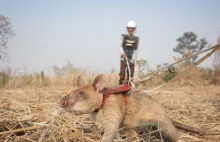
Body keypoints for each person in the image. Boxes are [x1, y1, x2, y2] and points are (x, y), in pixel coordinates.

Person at [119, 21, 139, 85]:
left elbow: (136, 50)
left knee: (130, 75)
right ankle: (120, 85)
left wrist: (136, 59)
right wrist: (123, 53)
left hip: (131, 58)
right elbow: (120, 46)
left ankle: (129, 87)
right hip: (123, 58)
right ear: (127, 29)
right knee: (122, 74)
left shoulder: (136, 38)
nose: (131, 29)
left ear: (134, 29)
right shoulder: (124, 37)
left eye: (132, 28)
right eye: (129, 28)